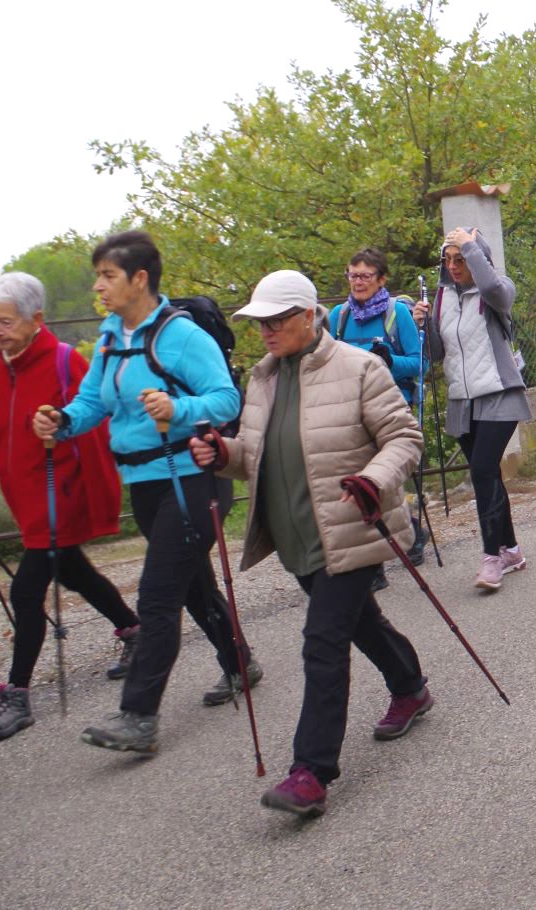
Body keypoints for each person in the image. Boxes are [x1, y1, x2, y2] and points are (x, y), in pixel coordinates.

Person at [189, 270, 427, 819]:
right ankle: (410, 685)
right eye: (260, 322)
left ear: (307, 316)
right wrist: (222, 454)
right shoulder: (263, 378)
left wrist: (373, 479)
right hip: (295, 534)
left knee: (323, 642)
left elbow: (404, 438)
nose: (266, 330)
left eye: (276, 320)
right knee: (358, 623)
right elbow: (254, 453)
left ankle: (311, 773)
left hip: (349, 527)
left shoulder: (359, 367)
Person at [31, 230, 253, 754]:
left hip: (190, 479)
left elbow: (225, 401)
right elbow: (93, 403)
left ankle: (139, 715)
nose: (98, 286)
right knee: (193, 586)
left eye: (107, 275)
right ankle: (241, 662)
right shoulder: (109, 336)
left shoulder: (183, 336)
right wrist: (61, 421)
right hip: (145, 486)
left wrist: (179, 411)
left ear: (139, 279)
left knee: (157, 596)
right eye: (98, 276)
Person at [0, 272, 135, 741]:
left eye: (6, 321)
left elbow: (95, 428)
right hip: (24, 501)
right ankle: (135, 632)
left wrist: (90, 496)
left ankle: (17, 696)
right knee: (75, 573)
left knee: (26, 593)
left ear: (36, 319)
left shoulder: (66, 362)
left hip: (61, 498)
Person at [413, 227, 531, 593]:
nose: (453, 266)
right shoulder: (443, 297)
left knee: (481, 470)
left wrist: (469, 242)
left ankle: (490, 558)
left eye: (461, 259)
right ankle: (511, 550)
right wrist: (423, 325)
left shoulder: (498, 288)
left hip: (499, 393)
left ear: (475, 257)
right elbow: (436, 353)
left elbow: (495, 290)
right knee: (488, 474)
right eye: (448, 260)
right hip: (462, 400)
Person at [325, 246, 427, 574]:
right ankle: (377, 562)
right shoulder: (337, 317)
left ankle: (409, 532)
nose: (357, 282)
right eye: (352, 275)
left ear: (381, 280)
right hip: (348, 408)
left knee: (381, 476)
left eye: (365, 276)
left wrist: (389, 361)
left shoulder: (396, 314)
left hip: (391, 406)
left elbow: (420, 363)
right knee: (358, 478)